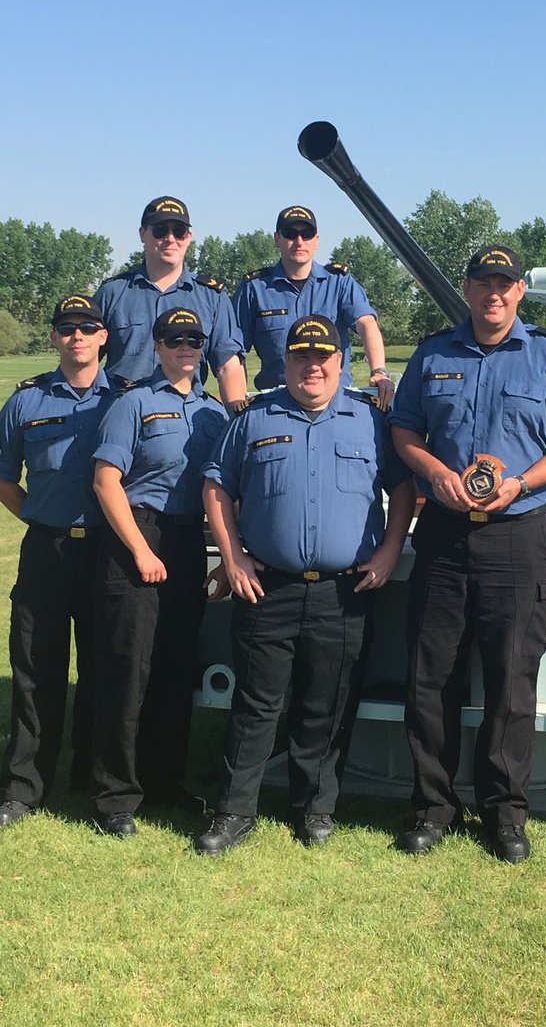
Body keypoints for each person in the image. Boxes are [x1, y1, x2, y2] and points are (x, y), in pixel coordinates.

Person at [389, 245, 546, 863]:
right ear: (468, 288)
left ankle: (505, 813)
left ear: (519, 291)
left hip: (516, 532)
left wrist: (523, 483)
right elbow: (404, 429)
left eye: (505, 284)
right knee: (432, 676)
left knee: (511, 677)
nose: (495, 293)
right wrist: (435, 472)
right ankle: (432, 808)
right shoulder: (433, 354)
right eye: (484, 282)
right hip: (444, 534)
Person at [195, 315, 415, 855]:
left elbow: (404, 488)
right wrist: (233, 557)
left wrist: (389, 551)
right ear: (286, 361)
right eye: (301, 356)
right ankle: (234, 812)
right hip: (267, 588)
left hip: (344, 592)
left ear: (341, 362)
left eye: (323, 357)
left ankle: (315, 808)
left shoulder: (371, 421)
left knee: (327, 705)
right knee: (256, 705)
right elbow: (216, 487)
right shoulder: (253, 418)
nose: (312, 367)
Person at [90, 307, 229, 836]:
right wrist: (141, 551)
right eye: (175, 339)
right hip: (139, 535)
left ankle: (165, 781)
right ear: (158, 346)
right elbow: (106, 481)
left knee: (175, 667)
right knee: (130, 669)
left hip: (189, 540)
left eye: (194, 339)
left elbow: (220, 490)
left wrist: (223, 557)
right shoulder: (134, 403)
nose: (186, 347)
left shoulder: (214, 412)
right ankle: (115, 796)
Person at [0, 296, 113, 828]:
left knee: (104, 667)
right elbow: (4, 478)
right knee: (35, 668)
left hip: (108, 551)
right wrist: (40, 516)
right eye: (66, 328)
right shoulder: (26, 400)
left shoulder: (125, 400)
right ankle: (24, 787)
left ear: (103, 337)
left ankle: (93, 779)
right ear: (54, 338)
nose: (77, 336)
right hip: (47, 550)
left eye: (87, 327)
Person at [232, 205, 394, 409]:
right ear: (277, 239)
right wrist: (238, 401)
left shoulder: (339, 282)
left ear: (316, 240)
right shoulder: (254, 288)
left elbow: (366, 324)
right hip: (275, 406)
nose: (299, 241)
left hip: (335, 404)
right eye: (291, 233)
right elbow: (233, 350)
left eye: (307, 234)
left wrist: (378, 371)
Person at [93, 196, 247, 411]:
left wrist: (239, 418)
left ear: (189, 236)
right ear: (142, 234)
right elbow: (85, 359)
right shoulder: (112, 293)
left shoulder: (212, 297)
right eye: (160, 230)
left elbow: (228, 365)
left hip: (185, 417)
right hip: (121, 413)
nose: (170, 238)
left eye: (179, 231)